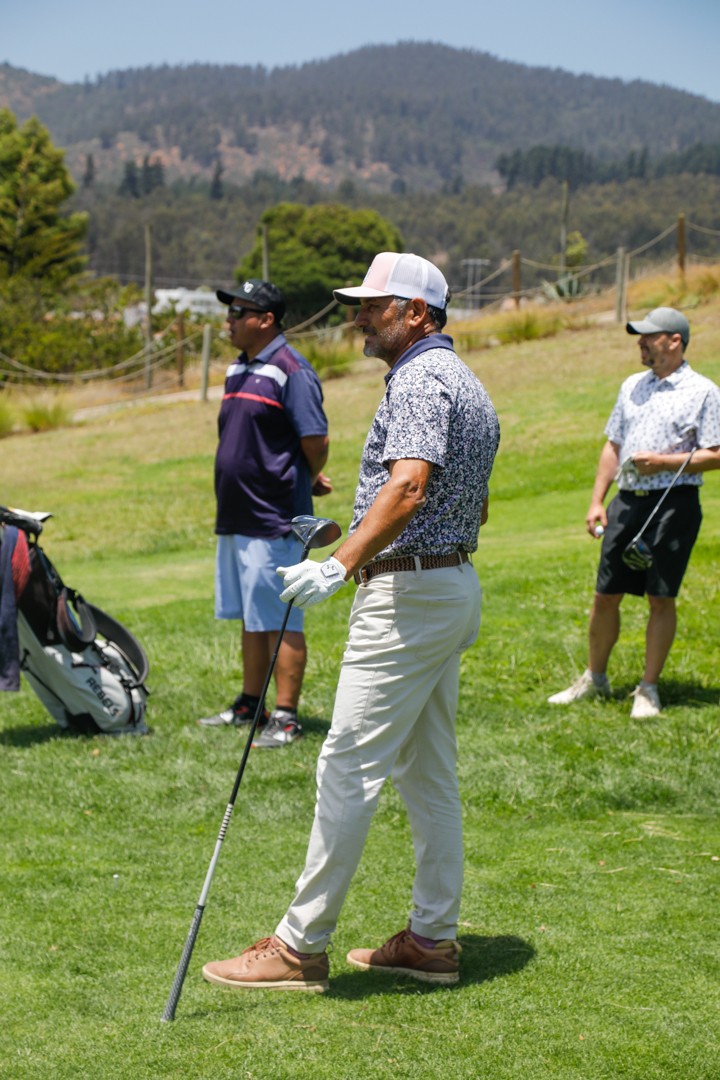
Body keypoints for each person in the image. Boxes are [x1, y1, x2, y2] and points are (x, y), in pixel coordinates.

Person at [201, 251, 500, 993]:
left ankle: (299, 947)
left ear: (417, 313)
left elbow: (411, 485)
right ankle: (431, 940)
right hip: (446, 584)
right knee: (426, 771)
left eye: (373, 305)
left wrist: (339, 566)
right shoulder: (464, 381)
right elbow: (468, 502)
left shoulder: (421, 380)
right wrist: (357, 536)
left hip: (408, 597)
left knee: (346, 765)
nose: (359, 318)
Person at [549, 306, 720, 718]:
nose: (641, 343)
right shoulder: (631, 386)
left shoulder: (703, 391)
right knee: (605, 594)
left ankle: (648, 688)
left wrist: (662, 462)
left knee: (661, 597)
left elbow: (716, 454)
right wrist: (597, 500)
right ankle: (595, 678)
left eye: (649, 336)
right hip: (626, 502)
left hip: (673, 504)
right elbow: (613, 445)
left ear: (675, 341)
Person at [198, 278, 331, 748]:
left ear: (266, 320)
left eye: (239, 312)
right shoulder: (238, 368)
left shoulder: (291, 370)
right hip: (237, 515)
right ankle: (250, 705)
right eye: (230, 311)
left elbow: (315, 440)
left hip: (274, 517)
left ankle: (286, 716)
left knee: (281, 618)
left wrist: (305, 477)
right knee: (253, 616)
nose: (229, 320)